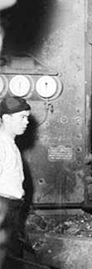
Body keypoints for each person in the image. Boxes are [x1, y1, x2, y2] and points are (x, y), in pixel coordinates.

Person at [0, 95, 31, 258]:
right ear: (6, 118)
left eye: (27, 117)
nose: (26, 122)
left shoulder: (10, 144)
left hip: (11, 210)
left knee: (10, 261)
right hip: (3, 209)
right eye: (22, 117)